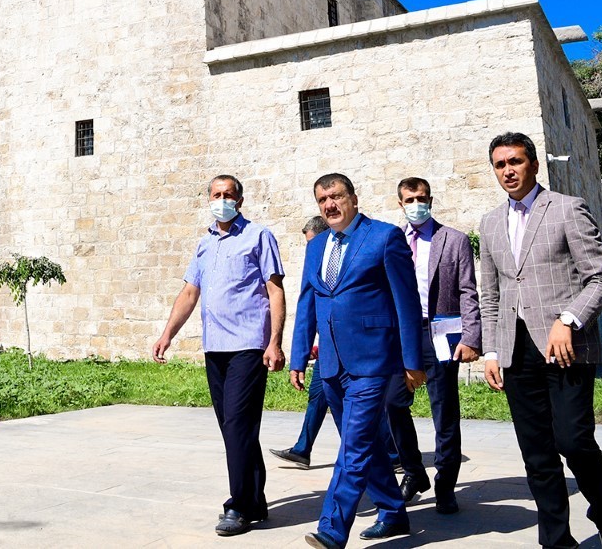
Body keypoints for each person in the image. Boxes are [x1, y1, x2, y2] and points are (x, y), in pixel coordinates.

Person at [479, 133, 602, 549]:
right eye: (499, 164)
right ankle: (556, 541)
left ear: (533, 164)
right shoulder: (490, 222)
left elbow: (601, 277)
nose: (507, 170)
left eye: (515, 161)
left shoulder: (566, 209)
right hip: (515, 352)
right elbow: (490, 293)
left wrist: (569, 319)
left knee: (573, 441)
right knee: (538, 454)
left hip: (565, 349)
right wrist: (491, 350)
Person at [290, 173, 424, 549]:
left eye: (336, 196)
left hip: (373, 362)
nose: (330, 205)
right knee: (364, 443)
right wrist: (299, 356)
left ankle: (332, 530)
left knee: (352, 446)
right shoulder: (317, 246)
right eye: (322, 200)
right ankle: (394, 512)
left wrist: (412, 360)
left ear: (353, 198)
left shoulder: (384, 237)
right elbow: (307, 303)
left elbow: (406, 301)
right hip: (331, 364)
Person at [152, 174, 286, 537]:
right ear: (208, 199)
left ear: (239, 201)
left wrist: (275, 341)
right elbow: (189, 294)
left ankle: (238, 505)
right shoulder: (204, 244)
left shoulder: (259, 236)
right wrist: (167, 334)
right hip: (215, 348)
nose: (222, 199)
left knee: (238, 426)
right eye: (216, 194)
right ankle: (255, 500)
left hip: (248, 346)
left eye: (228, 195)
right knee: (234, 429)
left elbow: (275, 290)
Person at [383, 177, 481, 515]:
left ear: (431, 199)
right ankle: (412, 471)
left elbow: (468, 290)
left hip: (441, 334)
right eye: (409, 199)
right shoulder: (388, 241)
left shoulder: (453, 240)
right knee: (393, 403)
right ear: (400, 203)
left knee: (445, 411)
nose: (416, 204)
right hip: (400, 336)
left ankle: (446, 485)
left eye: (421, 198)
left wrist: (471, 336)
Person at [269, 216, 330, 468]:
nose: (310, 249)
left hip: (354, 349)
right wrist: (300, 357)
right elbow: (308, 309)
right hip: (327, 348)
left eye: (312, 243)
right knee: (317, 397)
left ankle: (393, 454)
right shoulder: (316, 262)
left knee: (365, 406)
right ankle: (302, 449)